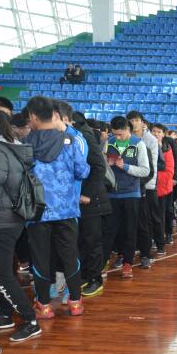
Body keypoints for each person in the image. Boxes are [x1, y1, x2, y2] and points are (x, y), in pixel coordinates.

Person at [23, 96, 90, 319]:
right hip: (67, 209)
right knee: (70, 255)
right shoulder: (69, 140)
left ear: (32, 116)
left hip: (37, 210)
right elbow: (82, 171)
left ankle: (43, 305)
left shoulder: (25, 143)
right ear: (54, 115)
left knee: (40, 258)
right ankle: (75, 302)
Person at [0, 108, 41, 341]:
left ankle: (30, 319)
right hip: (13, 216)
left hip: (2, 218)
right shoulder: (14, 145)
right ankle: (6, 313)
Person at [103, 116, 150, 279]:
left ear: (128, 130)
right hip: (111, 194)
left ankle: (128, 263)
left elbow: (145, 171)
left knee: (130, 230)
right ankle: (102, 263)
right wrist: (107, 164)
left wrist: (126, 167)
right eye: (114, 134)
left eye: (120, 134)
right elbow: (100, 166)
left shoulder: (139, 144)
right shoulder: (108, 143)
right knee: (108, 230)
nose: (117, 137)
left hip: (131, 194)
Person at [75, 113, 111, 297]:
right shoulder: (77, 135)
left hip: (93, 199)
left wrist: (87, 193)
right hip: (84, 198)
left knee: (92, 240)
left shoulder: (84, 136)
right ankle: (85, 276)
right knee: (83, 240)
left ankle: (95, 279)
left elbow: (98, 167)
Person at [128, 111, 159, 270]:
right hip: (126, 189)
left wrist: (144, 185)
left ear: (142, 122)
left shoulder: (150, 141)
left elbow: (151, 168)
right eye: (131, 120)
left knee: (144, 222)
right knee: (127, 223)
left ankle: (146, 253)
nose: (134, 123)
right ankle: (126, 254)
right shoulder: (122, 140)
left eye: (136, 120)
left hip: (144, 187)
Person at [152, 123, 175, 253]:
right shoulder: (146, 146)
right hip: (150, 188)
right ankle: (152, 239)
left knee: (162, 215)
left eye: (159, 132)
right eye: (154, 131)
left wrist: (151, 176)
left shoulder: (167, 149)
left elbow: (169, 172)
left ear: (163, 134)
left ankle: (162, 238)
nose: (156, 134)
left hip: (163, 189)